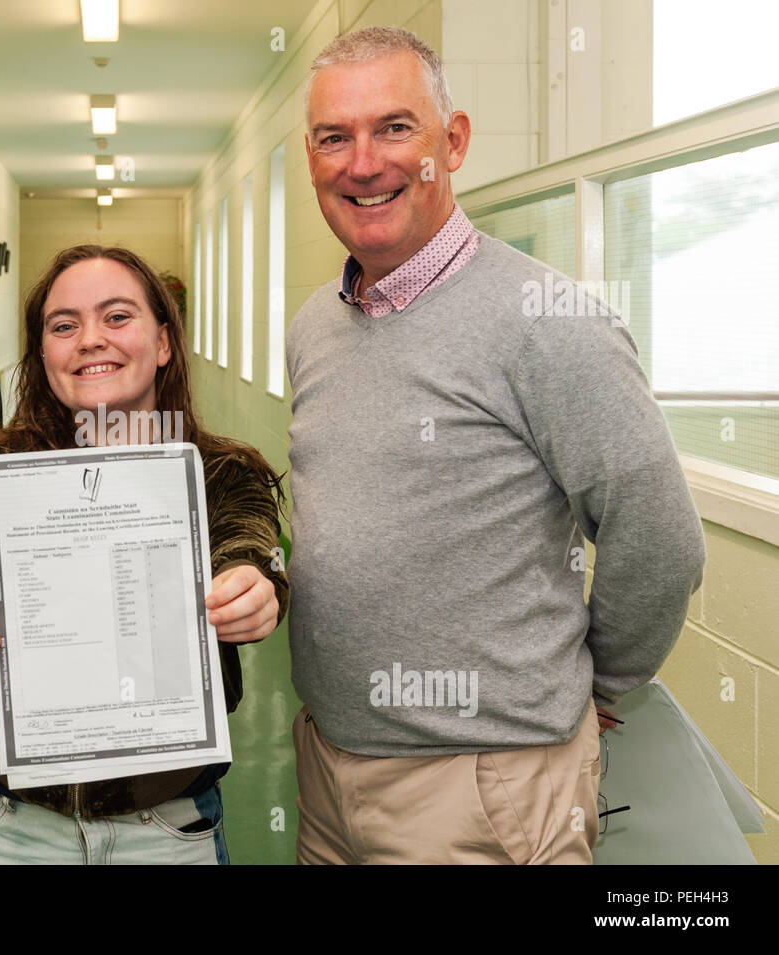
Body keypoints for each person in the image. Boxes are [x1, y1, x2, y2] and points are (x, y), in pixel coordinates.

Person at [287, 27, 706, 864]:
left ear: (456, 141)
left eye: (395, 128)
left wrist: (600, 681)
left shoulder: (549, 323)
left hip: (485, 789)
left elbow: (659, 535)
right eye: (336, 137)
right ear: (311, 157)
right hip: (329, 768)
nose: (362, 162)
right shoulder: (314, 327)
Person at [0, 245, 289, 864]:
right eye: (64, 326)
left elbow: (248, 545)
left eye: (117, 317)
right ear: (44, 356)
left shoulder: (223, 472)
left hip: (170, 831)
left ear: (166, 341)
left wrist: (255, 585)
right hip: (7, 828)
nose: (90, 339)